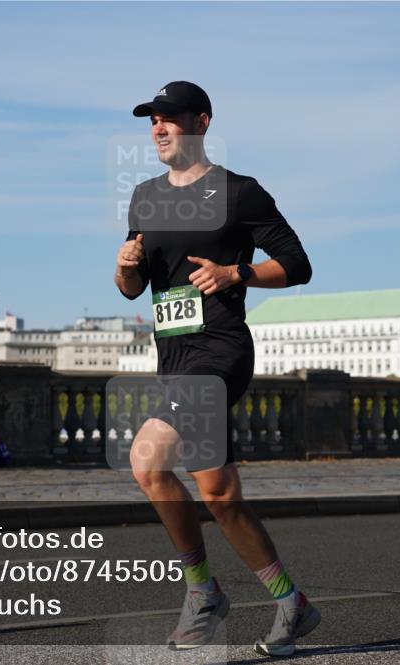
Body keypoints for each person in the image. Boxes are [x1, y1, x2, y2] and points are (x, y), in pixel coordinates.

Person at [115, 81, 317, 656]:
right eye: (152, 119)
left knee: (147, 461)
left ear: (201, 122)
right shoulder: (144, 197)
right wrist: (125, 265)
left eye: (170, 118)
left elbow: (298, 265)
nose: (159, 127)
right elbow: (134, 289)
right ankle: (290, 602)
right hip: (174, 356)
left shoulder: (238, 192)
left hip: (220, 349)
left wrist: (236, 274)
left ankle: (203, 592)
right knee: (220, 494)